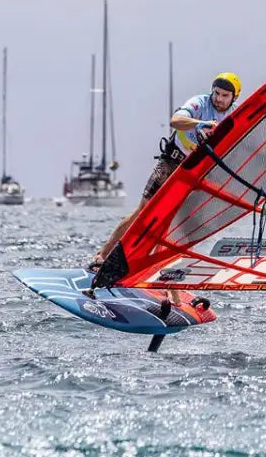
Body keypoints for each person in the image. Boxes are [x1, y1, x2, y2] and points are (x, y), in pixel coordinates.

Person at [83, 72, 242, 295]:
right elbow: (175, 121)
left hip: (193, 172)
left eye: (225, 95)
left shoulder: (234, 116)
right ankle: (101, 257)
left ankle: (169, 288)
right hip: (170, 162)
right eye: (216, 93)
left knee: (175, 229)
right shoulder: (200, 103)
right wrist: (201, 123)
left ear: (234, 98)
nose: (219, 98)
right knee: (143, 212)